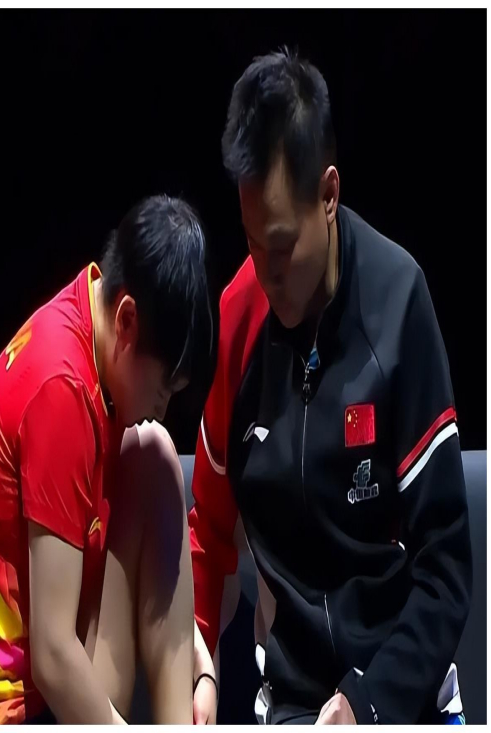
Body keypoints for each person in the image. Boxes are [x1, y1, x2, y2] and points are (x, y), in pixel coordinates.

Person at [190, 49, 472, 725]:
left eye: (282, 246)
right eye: (252, 244)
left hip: (401, 696)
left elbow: (445, 571)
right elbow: (206, 531)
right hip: (292, 702)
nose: (267, 273)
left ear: (329, 195)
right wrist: (199, 662)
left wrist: (368, 702)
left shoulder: (398, 304)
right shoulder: (238, 319)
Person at [0, 195, 213, 724]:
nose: (161, 408)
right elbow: (52, 655)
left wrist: (201, 664)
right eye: (162, 389)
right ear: (128, 319)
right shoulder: (61, 390)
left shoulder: (93, 310)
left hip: (47, 674)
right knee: (153, 450)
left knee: (154, 452)